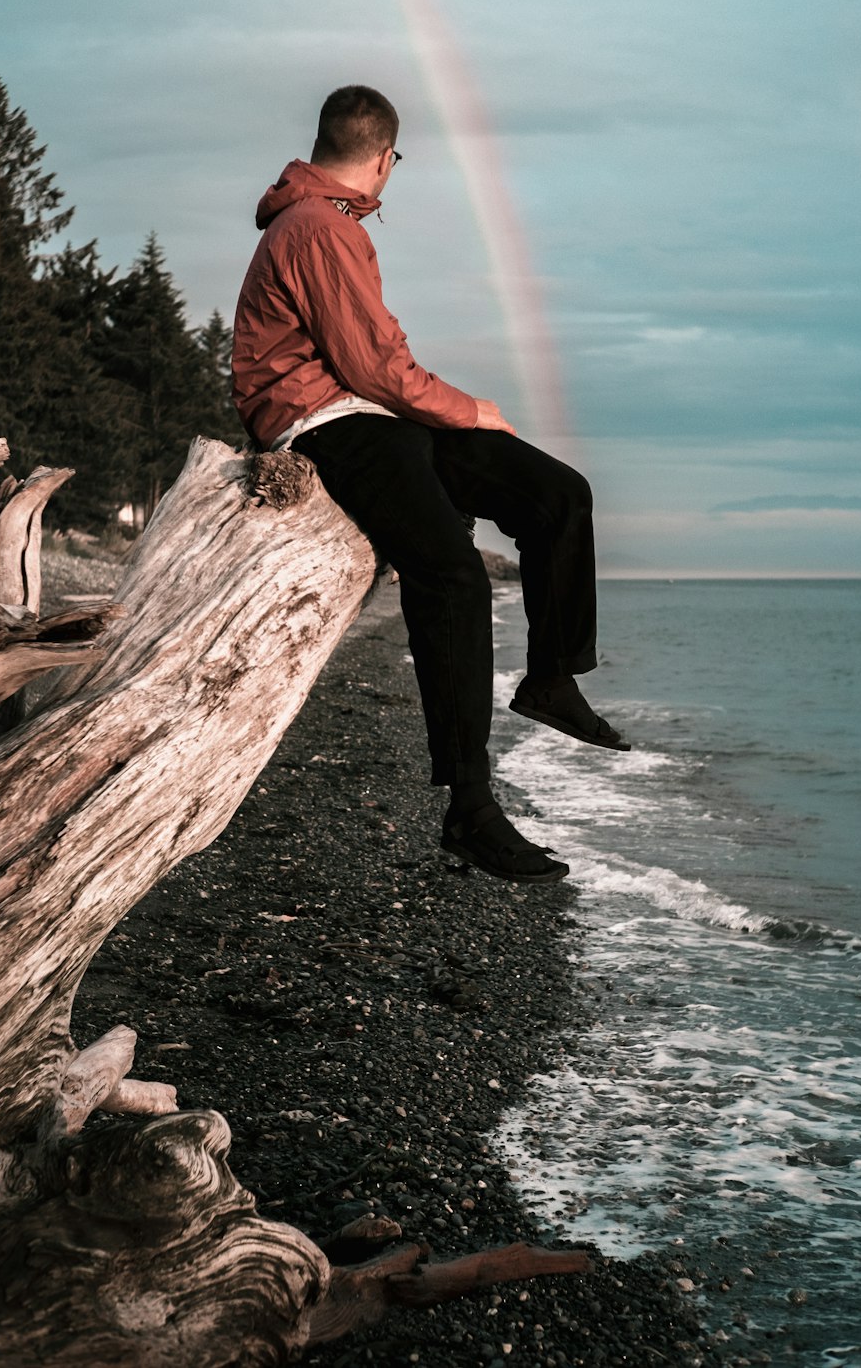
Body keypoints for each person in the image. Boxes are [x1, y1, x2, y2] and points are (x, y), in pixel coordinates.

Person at [232, 85, 629, 887]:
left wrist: (454, 416)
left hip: (376, 416)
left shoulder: (328, 223)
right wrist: (467, 408)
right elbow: (373, 365)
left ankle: (552, 678)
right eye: (394, 163)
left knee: (558, 494)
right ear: (383, 159)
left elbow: (377, 368)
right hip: (321, 423)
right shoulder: (316, 227)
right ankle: (471, 811)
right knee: (450, 572)